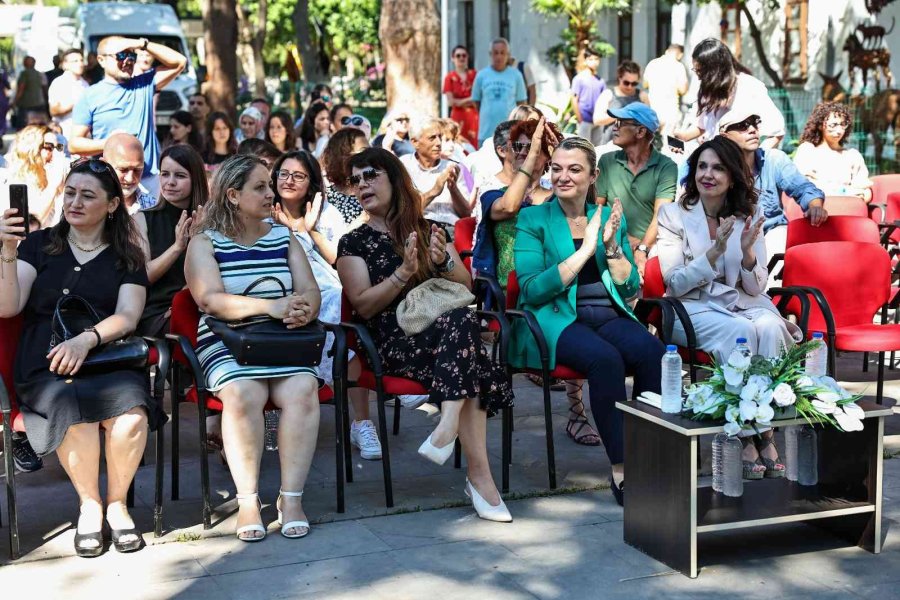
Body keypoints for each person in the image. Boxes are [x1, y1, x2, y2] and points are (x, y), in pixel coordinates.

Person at [0, 157, 167, 556]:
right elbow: (8, 307)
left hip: (105, 356)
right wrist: (6, 249)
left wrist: (87, 340)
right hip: (46, 362)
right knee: (72, 409)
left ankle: (118, 506)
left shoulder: (126, 255)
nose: (74, 202)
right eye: (70, 192)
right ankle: (90, 506)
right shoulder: (39, 246)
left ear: (112, 204)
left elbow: (128, 316)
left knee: (130, 414)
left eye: (87, 195)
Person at [337, 148, 514, 521]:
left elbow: (466, 285)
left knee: (462, 323)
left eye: (371, 174)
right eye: (356, 180)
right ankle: (479, 477)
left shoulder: (430, 227)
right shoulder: (352, 242)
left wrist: (443, 263)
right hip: (390, 342)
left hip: (445, 340)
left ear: (394, 178)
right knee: (473, 355)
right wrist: (403, 273)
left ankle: (449, 426)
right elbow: (364, 306)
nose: (362, 184)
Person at [512, 137, 666, 506]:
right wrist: (585, 251)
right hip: (553, 320)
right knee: (605, 360)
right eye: (557, 168)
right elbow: (532, 289)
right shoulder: (533, 218)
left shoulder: (607, 216)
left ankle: (651, 457)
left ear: (593, 175)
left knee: (654, 351)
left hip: (607, 314)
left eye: (574, 169)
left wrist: (611, 245)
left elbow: (629, 284)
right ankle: (623, 467)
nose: (563, 176)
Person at [185, 154, 323, 541]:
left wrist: (301, 310)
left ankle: (290, 498)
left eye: (270, 184)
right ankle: (248, 500)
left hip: (282, 338)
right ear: (232, 194)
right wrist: (271, 306)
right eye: (260, 186)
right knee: (244, 392)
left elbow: (310, 290)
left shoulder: (284, 236)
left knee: (302, 389)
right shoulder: (204, 242)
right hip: (227, 340)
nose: (271, 192)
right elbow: (210, 300)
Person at [657, 137, 800, 478]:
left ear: (733, 176)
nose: (707, 174)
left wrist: (748, 253)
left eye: (718, 168)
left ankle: (763, 427)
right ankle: (751, 435)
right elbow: (674, 283)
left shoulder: (748, 216)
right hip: (690, 309)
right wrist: (713, 253)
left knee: (768, 326)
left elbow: (756, 286)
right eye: (702, 166)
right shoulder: (673, 215)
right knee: (741, 331)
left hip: (742, 303)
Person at [270, 150, 383, 460]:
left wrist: (307, 231)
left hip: (327, 284)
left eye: (298, 176)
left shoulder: (326, 213)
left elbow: (339, 259)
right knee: (343, 324)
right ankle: (274, 419)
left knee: (344, 314)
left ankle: (361, 422)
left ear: (311, 183)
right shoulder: (263, 211)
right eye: (284, 173)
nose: (289, 180)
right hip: (281, 288)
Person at [709, 106, 827, 278]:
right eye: (742, 126)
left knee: (781, 235)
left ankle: (771, 296)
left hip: (771, 232)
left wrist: (815, 206)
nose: (751, 130)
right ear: (724, 135)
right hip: (729, 236)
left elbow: (804, 188)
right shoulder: (713, 164)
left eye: (754, 124)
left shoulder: (774, 159)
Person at [69, 36, 187, 199]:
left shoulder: (144, 84)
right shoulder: (89, 95)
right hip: (110, 182)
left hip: (148, 180)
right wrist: (109, 143)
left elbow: (179, 62)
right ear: (101, 60)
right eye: (121, 55)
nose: (128, 60)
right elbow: (74, 144)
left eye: (132, 56)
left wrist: (141, 44)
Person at [595, 103, 677, 278]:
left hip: (651, 246)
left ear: (640, 132)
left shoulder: (666, 167)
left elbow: (661, 215)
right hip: (610, 239)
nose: (614, 127)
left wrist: (642, 248)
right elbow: (597, 208)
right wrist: (622, 240)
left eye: (621, 123)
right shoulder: (607, 161)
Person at [134, 144, 208, 337]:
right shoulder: (142, 219)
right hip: (158, 313)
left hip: (203, 305)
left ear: (196, 179)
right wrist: (177, 247)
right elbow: (142, 276)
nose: (170, 182)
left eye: (180, 176)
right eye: (165, 174)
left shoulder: (212, 220)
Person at [673, 39, 784, 149]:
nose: (698, 77)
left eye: (701, 72)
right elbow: (702, 126)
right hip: (712, 161)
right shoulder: (706, 90)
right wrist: (682, 137)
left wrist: (755, 159)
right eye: (696, 71)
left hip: (739, 164)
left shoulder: (749, 87)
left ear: (716, 70)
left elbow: (777, 132)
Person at [399, 117, 471, 237]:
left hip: (452, 230)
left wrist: (453, 189)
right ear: (415, 142)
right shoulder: (403, 167)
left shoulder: (453, 167)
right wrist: (434, 191)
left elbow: (466, 214)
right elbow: (404, 213)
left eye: (439, 137)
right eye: (432, 138)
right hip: (418, 229)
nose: (438, 143)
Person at [793, 101, 873, 202]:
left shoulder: (852, 155)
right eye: (833, 125)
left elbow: (865, 190)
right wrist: (845, 193)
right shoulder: (808, 151)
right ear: (820, 125)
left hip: (850, 209)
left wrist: (863, 196)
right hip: (820, 211)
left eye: (843, 124)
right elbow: (804, 188)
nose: (839, 130)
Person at [2, 125, 65, 226]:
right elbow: (28, 226)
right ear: (31, 149)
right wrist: (52, 187)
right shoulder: (9, 180)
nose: (55, 154)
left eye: (58, 148)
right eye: (49, 147)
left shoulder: (55, 177)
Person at [471, 38, 527, 147]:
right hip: (486, 133)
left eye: (502, 53)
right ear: (491, 54)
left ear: (508, 55)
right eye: (496, 53)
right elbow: (476, 101)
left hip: (510, 133)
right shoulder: (481, 75)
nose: (499, 56)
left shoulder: (516, 75)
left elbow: (522, 103)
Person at [593, 61, 650, 146]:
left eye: (634, 83)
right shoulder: (608, 94)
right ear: (619, 78)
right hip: (612, 146)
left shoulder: (643, 96)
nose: (630, 86)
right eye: (626, 83)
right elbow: (597, 120)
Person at [322, 127, 369, 226]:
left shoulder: (375, 188)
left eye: (370, 151)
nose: (370, 156)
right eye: (363, 152)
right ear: (343, 156)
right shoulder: (326, 197)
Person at [103, 133, 156, 214]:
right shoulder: (91, 204)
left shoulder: (153, 206)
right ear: (104, 164)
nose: (129, 178)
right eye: (123, 169)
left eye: (137, 170)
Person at [643, 44, 689, 134]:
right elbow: (683, 90)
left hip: (653, 108)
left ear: (667, 51)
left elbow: (645, 84)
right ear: (680, 55)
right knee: (667, 142)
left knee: (652, 140)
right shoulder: (678, 66)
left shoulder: (652, 63)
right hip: (670, 111)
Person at [48, 49, 89, 140]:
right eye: (75, 61)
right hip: (63, 136)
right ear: (65, 64)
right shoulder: (59, 83)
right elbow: (53, 111)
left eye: (81, 60)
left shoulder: (85, 84)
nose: (80, 64)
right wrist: (77, 103)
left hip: (83, 137)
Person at [443, 45, 479, 147]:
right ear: (452, 58)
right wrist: (471, 99)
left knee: (475, 146)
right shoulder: (449, 77)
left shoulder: (475, 75)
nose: (461, 58)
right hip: (458, 117)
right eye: (458, 56)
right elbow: (450, 102)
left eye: (464, 55)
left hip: (474, 116)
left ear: (467, 57)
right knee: (458, 145)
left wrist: (459, 101)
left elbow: (479, 97)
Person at [570, 45, 606, 145]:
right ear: (585, 60)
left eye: (596, 59)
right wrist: (580, 118)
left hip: (598, 120)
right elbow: (574, 99)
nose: (594, 62)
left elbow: (604, 100)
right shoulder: (579, 78)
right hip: (584, 119)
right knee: (584, 148)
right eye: (591, 59)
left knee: (597, 148)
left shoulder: (600, 80)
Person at [11, 56, 47, 129]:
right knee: (38, 127)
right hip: (40, 104)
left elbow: (21, 89)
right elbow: (45, 89)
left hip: (26, 106)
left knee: (23, 128)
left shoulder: (24, 74)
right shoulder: (41, 74)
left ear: (24, 63)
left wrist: (14, 102)